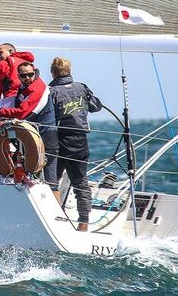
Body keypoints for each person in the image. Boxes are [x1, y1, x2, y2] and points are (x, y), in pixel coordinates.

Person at [49, 57, 102, 232]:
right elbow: (96, 106)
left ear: (53, 72)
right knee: (80, 182)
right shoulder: (82, 87)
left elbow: (47, 117)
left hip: (61, 141)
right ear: (69, 70)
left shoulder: (52, 91)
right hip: (80, 140)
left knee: (50, 181)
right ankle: (84, 222)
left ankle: (54, 218)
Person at [0, 62, 60, 199]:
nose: (28, 78)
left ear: (35, 72)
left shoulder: (37, 88)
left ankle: (58, 214)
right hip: (30, 135)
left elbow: (23, 112)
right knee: (30, 173)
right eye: (24, 76)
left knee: (50, 180)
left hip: (46, 135)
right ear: (18, 76)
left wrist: (1, 111)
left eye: (31, 74)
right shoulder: (23, 88)